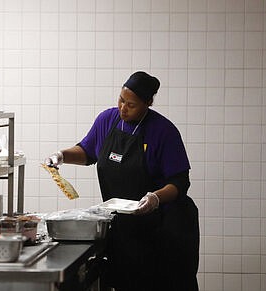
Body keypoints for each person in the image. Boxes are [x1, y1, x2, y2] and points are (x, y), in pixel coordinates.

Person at [45, 71, 199, 291]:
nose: (123, 108)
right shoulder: (107, 120)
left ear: (148, 103)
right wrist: (61, 156)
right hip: (124, 228)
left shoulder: (163, 131)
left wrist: (155, 198)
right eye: (121, 100)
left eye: (131, 104)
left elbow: (180, 181)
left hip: (163, 229)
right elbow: (88, 151)